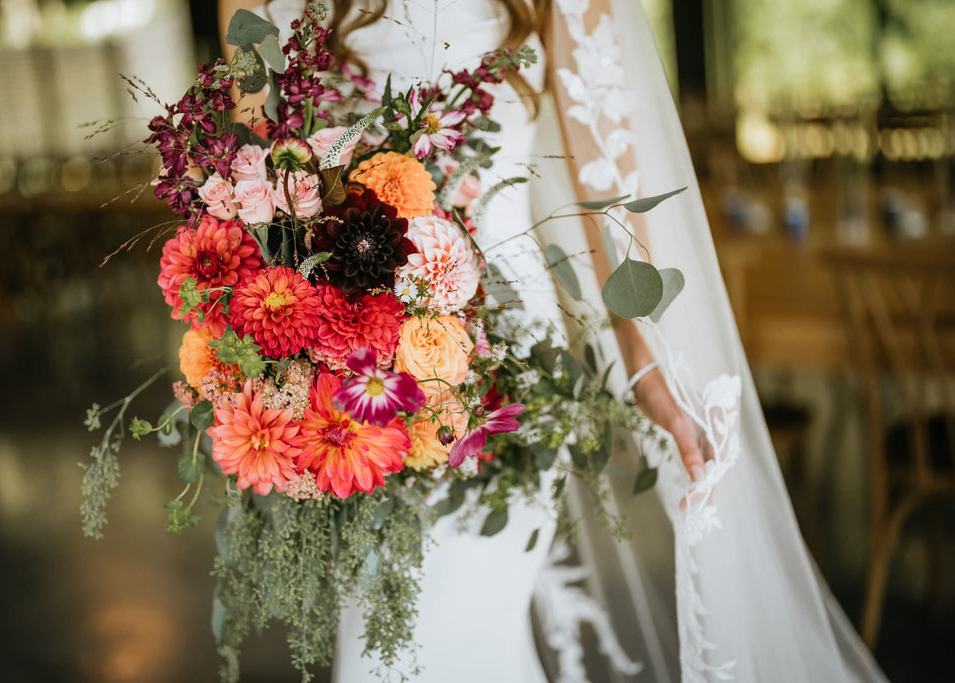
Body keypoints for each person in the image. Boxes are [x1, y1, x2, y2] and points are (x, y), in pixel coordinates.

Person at [217, 1, 889, 681]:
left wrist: (645, 356)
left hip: (507, 351)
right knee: (380, 640)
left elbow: (606, 169)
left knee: (460, 625)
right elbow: (256, 172)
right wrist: (261, 347)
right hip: (337, 345)